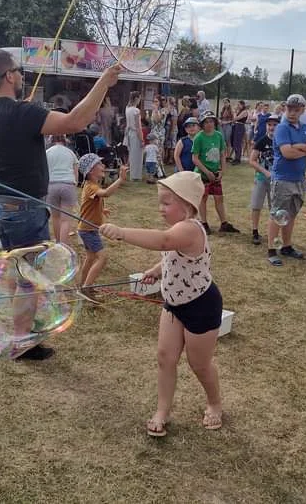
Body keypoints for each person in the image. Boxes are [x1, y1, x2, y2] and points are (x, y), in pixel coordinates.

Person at [0, 48, 121, 361]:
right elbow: (75, 121)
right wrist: (104, 82)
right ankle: (22, 343)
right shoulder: (22, 112)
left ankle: (22, 334)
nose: (20, 74)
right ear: (9, 76)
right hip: (23, 207)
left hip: (0, 204)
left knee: (20, 272)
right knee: (28, 279)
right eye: (16, 70)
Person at [99, 171, 223, 437]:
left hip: (201, 305)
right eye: (160, 202)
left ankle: (214, 403)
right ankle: (162, 410)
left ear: (188, 206)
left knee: (199, 364)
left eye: (167, 203)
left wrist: (121, 233)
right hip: (173, 304)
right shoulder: (179, 230)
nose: (161, 208)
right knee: (165, 358)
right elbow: (171, 253)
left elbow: (164, 242)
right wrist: (157, 270)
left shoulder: (189, 228)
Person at [267, 94, 306, 265]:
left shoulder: (305, 128)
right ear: (285, 109)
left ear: (302, 110)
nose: (292, 112)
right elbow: (287, 153)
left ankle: (287, 246)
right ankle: (271, 250)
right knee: (277, 214)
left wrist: (300, 147)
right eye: (289, 108)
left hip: (299, 179)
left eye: (296, 109)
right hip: (283, 178)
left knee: (291, 214)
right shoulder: (282, 128)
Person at [77, 154, 128, 288]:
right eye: (99, 164)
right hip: (88, 230)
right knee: (102, 258)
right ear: (91, 170)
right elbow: (105, 193)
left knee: (91, 258)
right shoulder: (91, 187)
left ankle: (82, 285)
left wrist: (101, 210)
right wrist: (120, 180)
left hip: (87, 229)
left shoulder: (91, 185)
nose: (103, 166)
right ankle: (87, 287)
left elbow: (90, 204)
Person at [191, 110, 239, 234]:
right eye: (206, 122)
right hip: (202, 173)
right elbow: (195, 158)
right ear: (202, 124)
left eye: (211, 121)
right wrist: (207, 172)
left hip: (215, 172)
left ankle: (224, 223)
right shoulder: (199, 137)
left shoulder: (218, 135)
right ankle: (204, 223)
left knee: (219, 198)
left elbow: (222, 154)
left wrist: (222, 170)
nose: (209, 124)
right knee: (203, 198)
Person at [249, 115, 279, 245]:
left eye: (274, 125)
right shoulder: (262, 141)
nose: (272, 127)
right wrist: (265, 172)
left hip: (277, 180)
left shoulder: (282, 142)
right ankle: (255, 231)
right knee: (256, 205)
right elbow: (252, 160)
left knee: (275, 207)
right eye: (269, 125)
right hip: (262, 178)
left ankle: (273, 234)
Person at [46, 135, 79, 245]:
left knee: (55, 217)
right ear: (65, 140)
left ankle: (58, 242)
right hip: (68, 184)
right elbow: (76, 171)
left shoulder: (47, 152)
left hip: (52, 185)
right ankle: (63, 246)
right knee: (65, 219)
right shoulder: (70, 153)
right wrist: (75, 184)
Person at [125, 91, 144, 181]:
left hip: (129, 133)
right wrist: (141, 139)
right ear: (136, 98)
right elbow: (138, 126)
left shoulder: (127, 108)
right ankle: (135, 175)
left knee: (132, 154)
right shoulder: (136, 110)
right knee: (137, 155)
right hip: (135, 133)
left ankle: (133, 174)